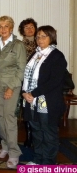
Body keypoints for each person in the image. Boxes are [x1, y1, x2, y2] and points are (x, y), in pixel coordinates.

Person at [22, 25, 67, 165]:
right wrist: (24, 93)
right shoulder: (35, 54)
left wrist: (33, 93)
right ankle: (37, 159)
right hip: (31, 100)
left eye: (43, 36)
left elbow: (54, 81)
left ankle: (48, 163)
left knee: (48, 134)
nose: (40, 39)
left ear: (51, 37)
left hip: (47, 101)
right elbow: (26, 77)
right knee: (36, 131)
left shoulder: (57, 56)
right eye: (38, 36)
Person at [0, 16, 26, 169]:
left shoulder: (18, 45)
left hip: (11, 84)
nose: (3, 29)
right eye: (1, 26)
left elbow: (21, 69)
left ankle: (14, 152)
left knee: (9, 118)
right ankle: (5, 145)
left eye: (6, 26)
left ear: (11, 28)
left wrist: (11, 88)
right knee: (0, 117)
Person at [18, 18, 38, 148]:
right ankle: (29, 136)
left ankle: (37, 137)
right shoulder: (19, 45)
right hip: (24, 82)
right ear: (22, 31)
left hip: (38, 83)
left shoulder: (41, 43)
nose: (30, 29)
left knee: (37, 110)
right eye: (26, 27)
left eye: (32, 27)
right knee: (26, 110)